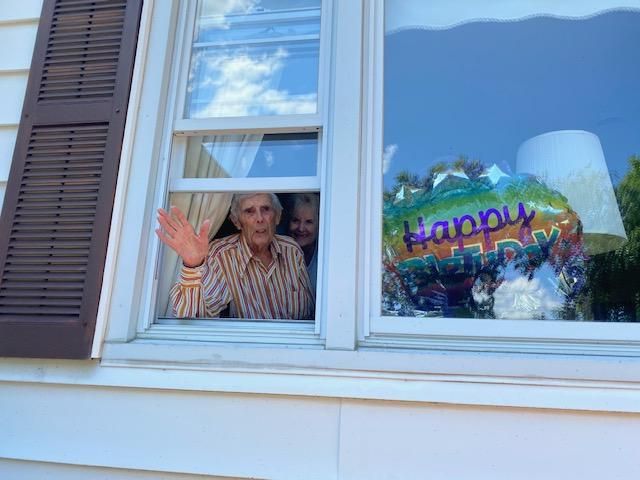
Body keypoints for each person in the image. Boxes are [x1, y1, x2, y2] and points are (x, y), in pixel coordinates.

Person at [156, 193, 314, 319]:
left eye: (266, 209)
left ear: (277, 217)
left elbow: (310, 315)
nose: (260, 218)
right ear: (237, 222)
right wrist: (193, 264)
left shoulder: (292, 250)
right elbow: (191, 315)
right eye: (249, 211)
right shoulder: (221, 255)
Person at [287, 193, 319, 290]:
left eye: (308, 222)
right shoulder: (276, 251)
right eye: (295, 220)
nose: (301, 228)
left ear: (319, 225)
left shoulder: (327, 255)